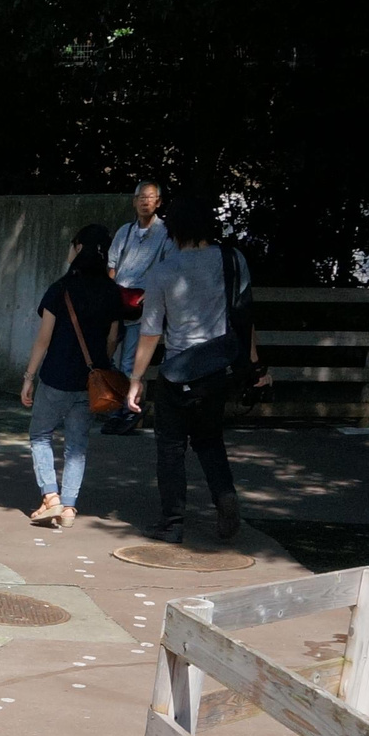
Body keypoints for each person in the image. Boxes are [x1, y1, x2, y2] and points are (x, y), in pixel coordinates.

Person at [125, 189, 264, 543]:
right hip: (219, 369)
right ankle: (225, 497)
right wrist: (255, 364)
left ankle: (172, 523)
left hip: (178, 371)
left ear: (173, 229)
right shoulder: (233, 260)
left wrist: (136, 379)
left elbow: (151, 330)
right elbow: (245, 315)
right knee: (210, 440)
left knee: (171, 448)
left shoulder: (165, 271)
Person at [18, 224, 121, 529]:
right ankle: (70, 508)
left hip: (56, 376)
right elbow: (113, 339)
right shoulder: (111, 291)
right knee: (77, 445)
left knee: (40, 434)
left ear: (78, 249)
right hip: (90, 382)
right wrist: (100, 363)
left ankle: (51, 497)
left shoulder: (60, 289)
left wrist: (28, 376)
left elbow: (43, 339)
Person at [101, 178, 170, 436]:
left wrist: (151, 293)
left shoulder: (166, 233)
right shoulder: (124, 231)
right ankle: (117, 404)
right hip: (118, 301)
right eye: (141, 196)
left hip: (143, 304)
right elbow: (112, 266)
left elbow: (168, 268)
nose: (145, 201)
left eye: (151, 197)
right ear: (134, 201)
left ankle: (130, 410)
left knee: (131, 360)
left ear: (159, 202)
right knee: (106, 354)